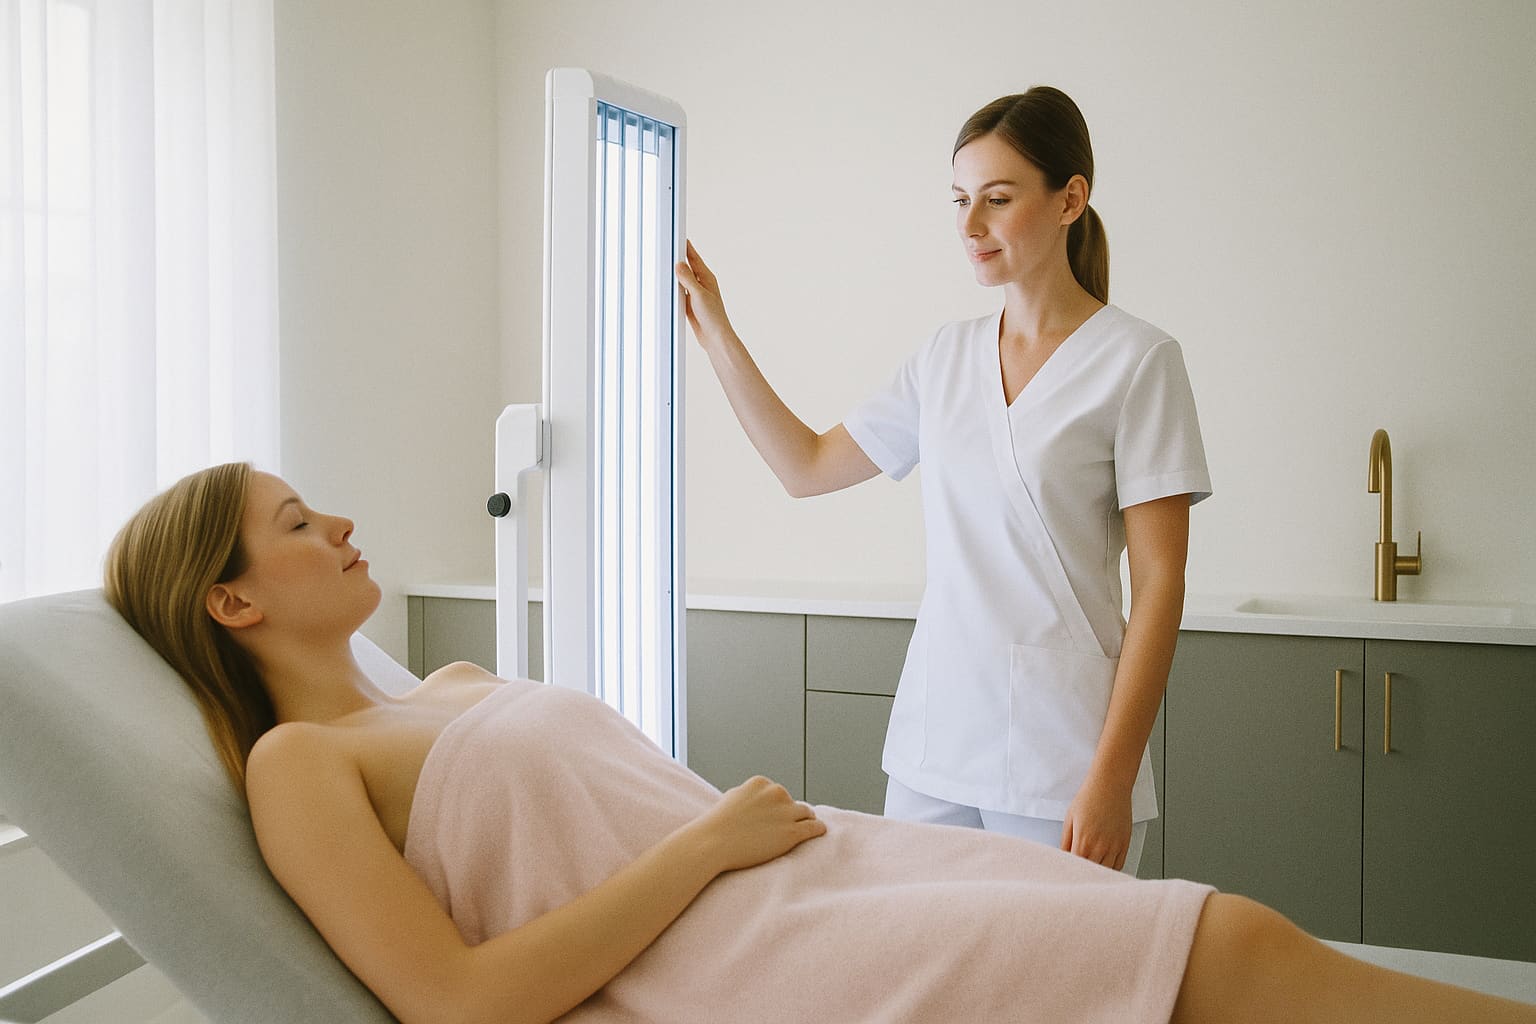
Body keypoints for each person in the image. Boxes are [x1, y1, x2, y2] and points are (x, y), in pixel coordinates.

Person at [101, 462, 1536, 1024]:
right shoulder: (301, 766)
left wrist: (735, 840)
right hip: (745, 961)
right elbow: (459, 1007)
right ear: (232, 601)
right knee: (1213, 956)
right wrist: (708, 846)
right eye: (299, 524)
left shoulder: (453, 680)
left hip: (826, 875)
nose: (344, 523)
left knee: (1221, 941)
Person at [677, 87, 1205, 875]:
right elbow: (805, 466)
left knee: (1056, 958)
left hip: (1062, 763)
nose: (970, 224)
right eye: (960, 200)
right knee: (922, 952)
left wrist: (1113, 778)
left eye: (998, 199)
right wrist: (717, 330)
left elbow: (1160, 584)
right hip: (934, 749)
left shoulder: (1137, 362)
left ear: (1071, 200)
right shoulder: (944, 358)